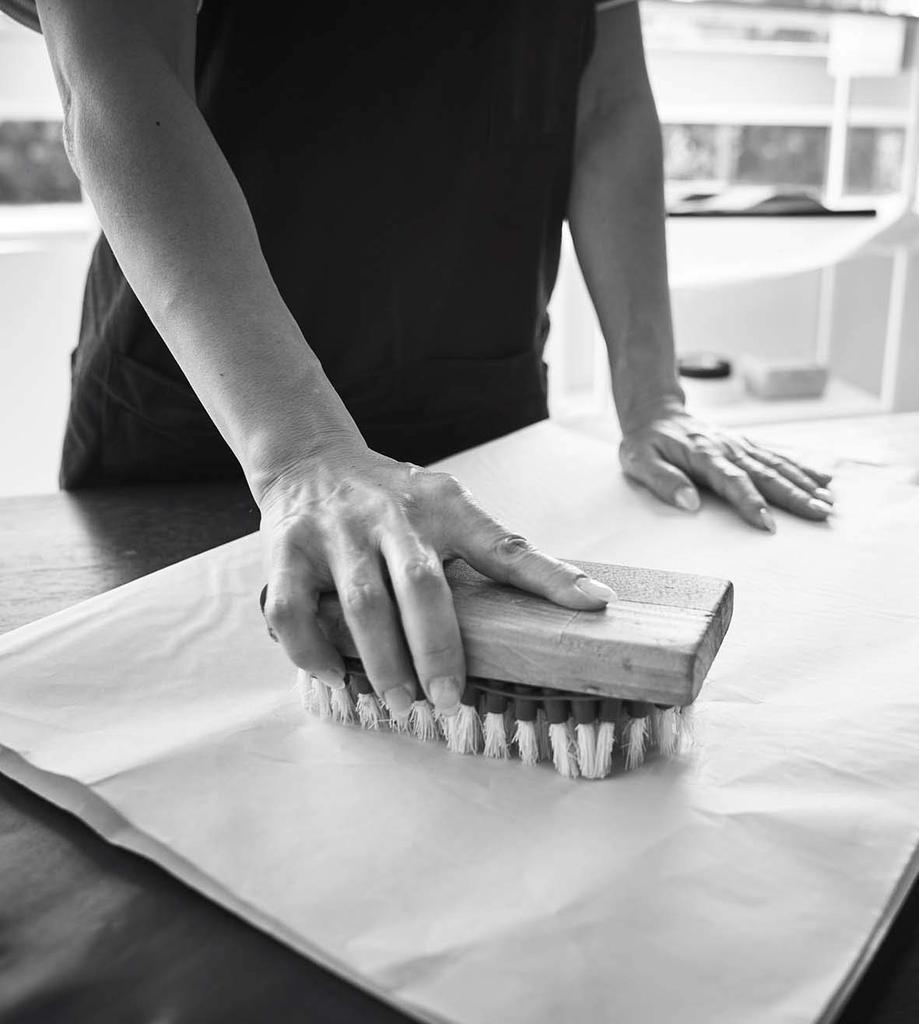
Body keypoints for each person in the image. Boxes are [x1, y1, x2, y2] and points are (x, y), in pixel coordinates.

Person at [8, 0, 832, 721]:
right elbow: (115, 66)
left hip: (482, 415)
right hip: (211, 419)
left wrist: (654, 395)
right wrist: (302, 451)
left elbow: (607, 94)